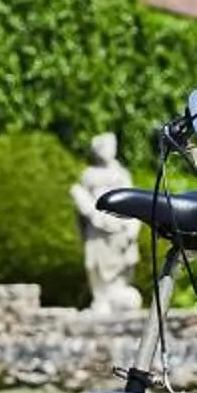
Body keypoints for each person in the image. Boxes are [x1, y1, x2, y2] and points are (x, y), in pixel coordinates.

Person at [71, 133, 143, 315]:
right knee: (94, 264)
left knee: (122, 265)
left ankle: (117, 294)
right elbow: (82, 203)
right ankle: (101, 298)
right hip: (97, 228)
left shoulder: (121, 174)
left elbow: (132, 201)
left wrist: (132, 227)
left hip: (120, 226)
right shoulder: (88, 175)